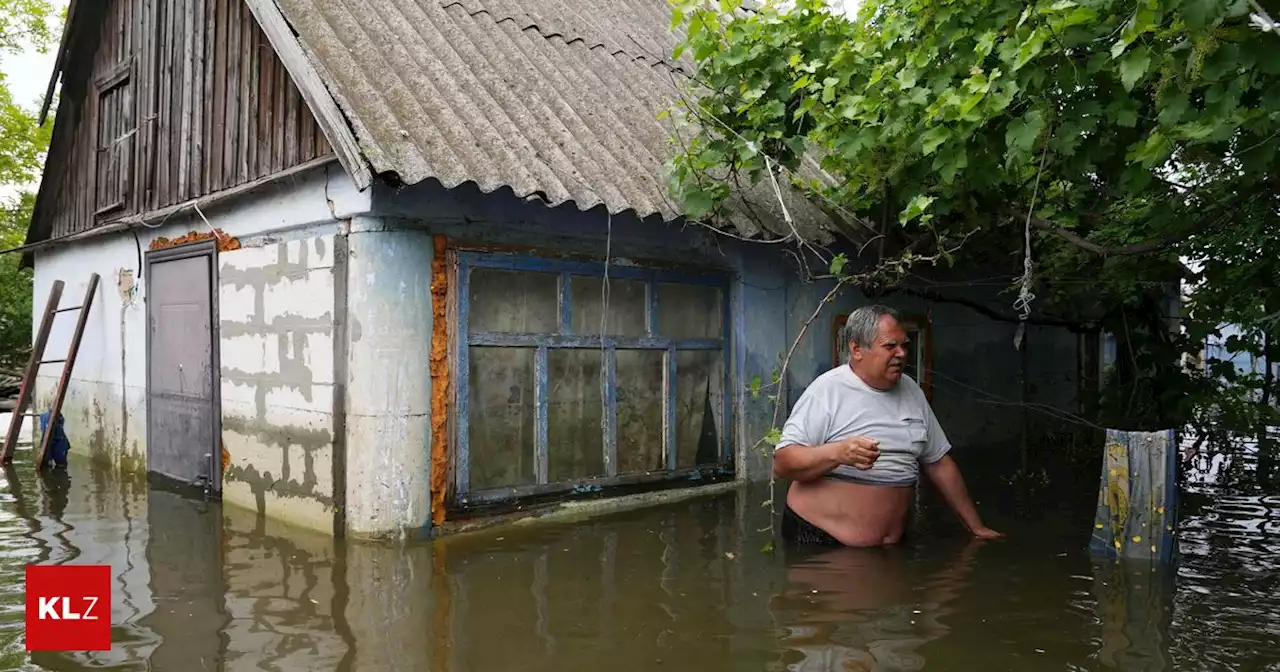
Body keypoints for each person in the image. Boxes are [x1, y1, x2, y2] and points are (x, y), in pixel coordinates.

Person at [773, 305, 1002, 547]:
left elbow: (939, 463)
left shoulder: (912, 391)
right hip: (821, 540)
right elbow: (782, 463)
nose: (902, 354)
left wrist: (976, 527)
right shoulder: (827, 391)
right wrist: (838, 453)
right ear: (857, 349)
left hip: (889, 548)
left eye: (905, 345)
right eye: (890, 346)